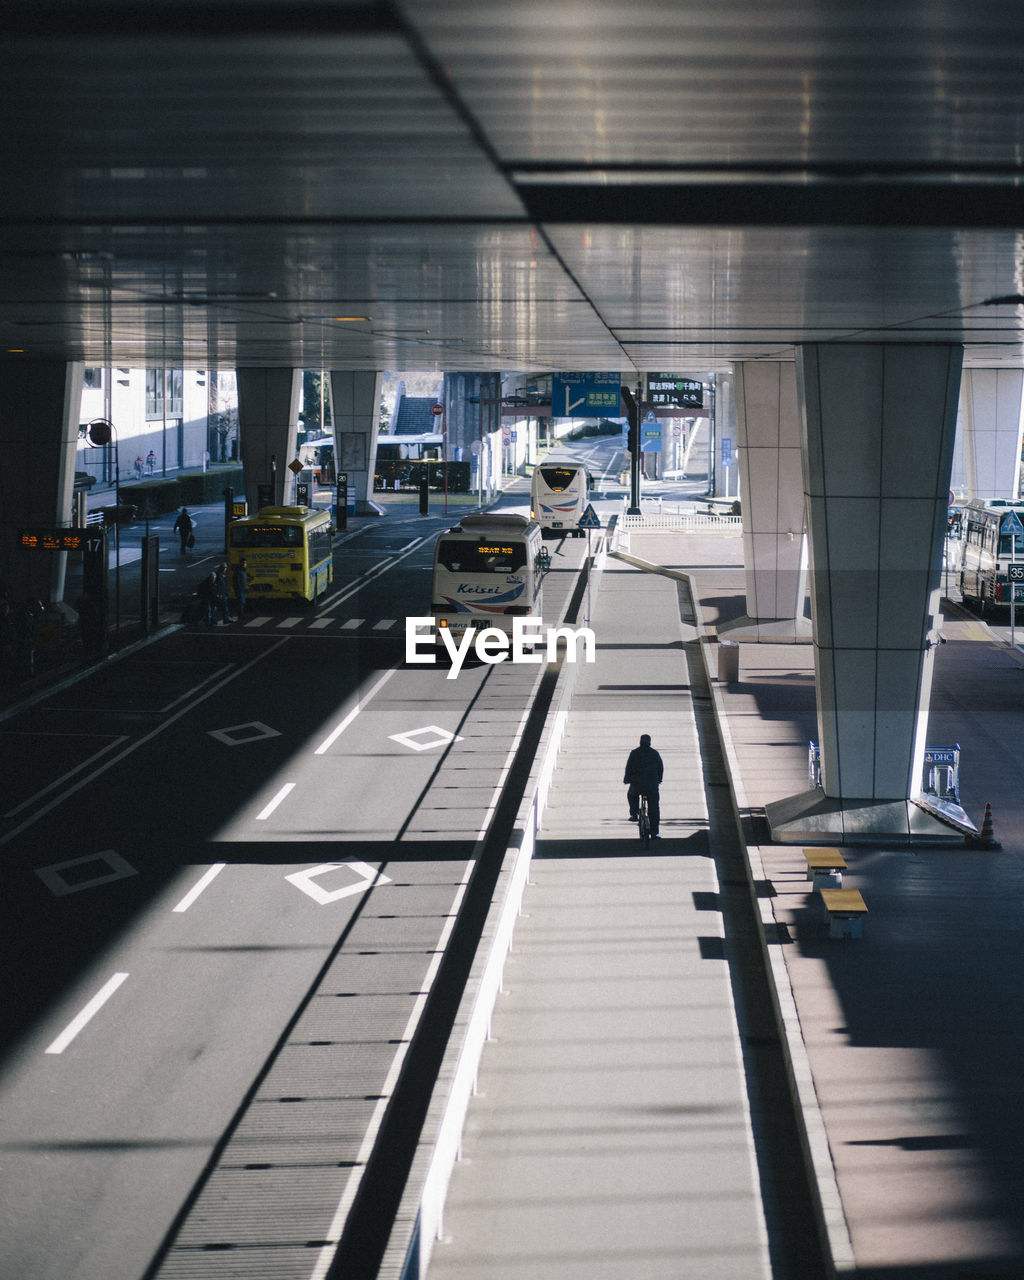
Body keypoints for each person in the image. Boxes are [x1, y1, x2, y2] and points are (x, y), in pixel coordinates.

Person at [623, 733, 664, 837]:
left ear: (640, 742)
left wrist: (626, 779)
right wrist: (659, 779)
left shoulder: (634, 753)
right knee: (654, 807)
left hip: (637, 785)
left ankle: (634, 813)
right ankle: (655, 831)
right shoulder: (655, 753)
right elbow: (660, 768)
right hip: (652, 785)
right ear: (650, 742)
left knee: (631, 795)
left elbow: (628, 768)